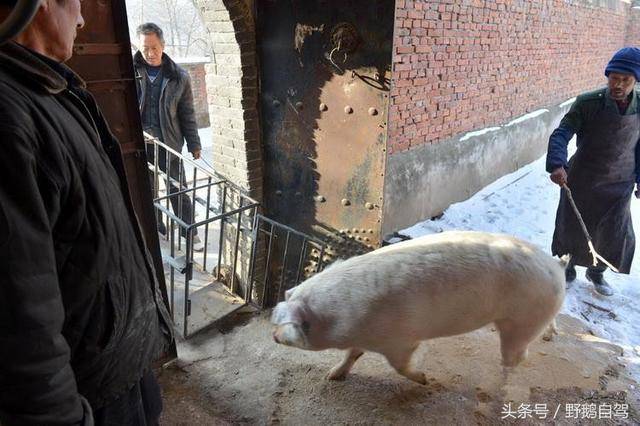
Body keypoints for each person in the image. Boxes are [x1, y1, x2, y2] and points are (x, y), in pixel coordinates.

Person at [0, 0, 173, 424]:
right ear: (38, 5)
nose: (80, 19)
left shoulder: (49, 90)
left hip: (120, 365)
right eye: (75, 4)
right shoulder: (9, 116)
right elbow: (21, 316)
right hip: (89, 393)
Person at [546, 46, 640, 296]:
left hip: (620, 182)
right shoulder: (588, 103)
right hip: (583, 179)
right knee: (572, 227)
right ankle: (567, 269)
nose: (618, 84)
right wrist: (557, 163)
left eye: (625, 79)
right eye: (614, 77)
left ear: (636, 80)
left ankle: (597, 272)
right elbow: (562, 133)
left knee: (614, 232)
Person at [133, 22, 204, 252]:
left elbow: (187, 113)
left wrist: (194, 143)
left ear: (163, 45)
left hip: (169, 143)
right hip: (141, 144)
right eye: (145, 49)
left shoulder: (178, 77)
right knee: (149, 191)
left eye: (154, 48)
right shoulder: (130, 72)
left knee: (178, 189)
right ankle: (159, 232)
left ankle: (189, 232)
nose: (150, 54)